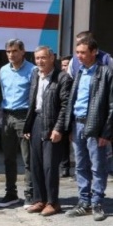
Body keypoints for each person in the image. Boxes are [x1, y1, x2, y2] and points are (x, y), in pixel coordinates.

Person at [64, 36, 113, 221]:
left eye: (83, 52)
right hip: (78, 124)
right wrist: (69, 127)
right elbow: (73, 100)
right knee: (81, 166)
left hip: (96, 127)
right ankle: (84, 202)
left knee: (98, 167)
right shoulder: (80, 72)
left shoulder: (106, 73)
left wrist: (107, 132)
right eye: (77, 53)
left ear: (94, 52)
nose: (79, 56)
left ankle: (97, 203)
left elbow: (111, 105)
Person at [22, 46, 71, 217]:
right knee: (35, 164)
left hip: (52, 124)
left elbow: (65, 106)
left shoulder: (63, 78)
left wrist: (58, 128)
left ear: (52, 58)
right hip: (36, 121)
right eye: (37, 58)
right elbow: (32, 100)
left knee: (49, 166)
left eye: (43, 58)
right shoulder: (36, 74)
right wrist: (28, 127)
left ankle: (53, 202)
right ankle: (39, 200)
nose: (40, 61)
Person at [0, 39, 34, 209]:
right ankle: (10, 193)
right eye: (8, 52)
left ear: (23, 51)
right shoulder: (3, 70)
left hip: (24, 116)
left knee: (28, 158)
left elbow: (34, 98)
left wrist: (30, 121)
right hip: (7, 116)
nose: (11, 55)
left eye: (14, 51)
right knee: (8, 158)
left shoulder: (32, 70)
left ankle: (30, 194)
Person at [59, 54, 73, 178]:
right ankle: (65, 167)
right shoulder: (60, 78)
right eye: (63, 65)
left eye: (66, 65)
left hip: (75, 114)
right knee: (63, 142)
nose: (64, 68)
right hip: (64, 113)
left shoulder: (76, 77)